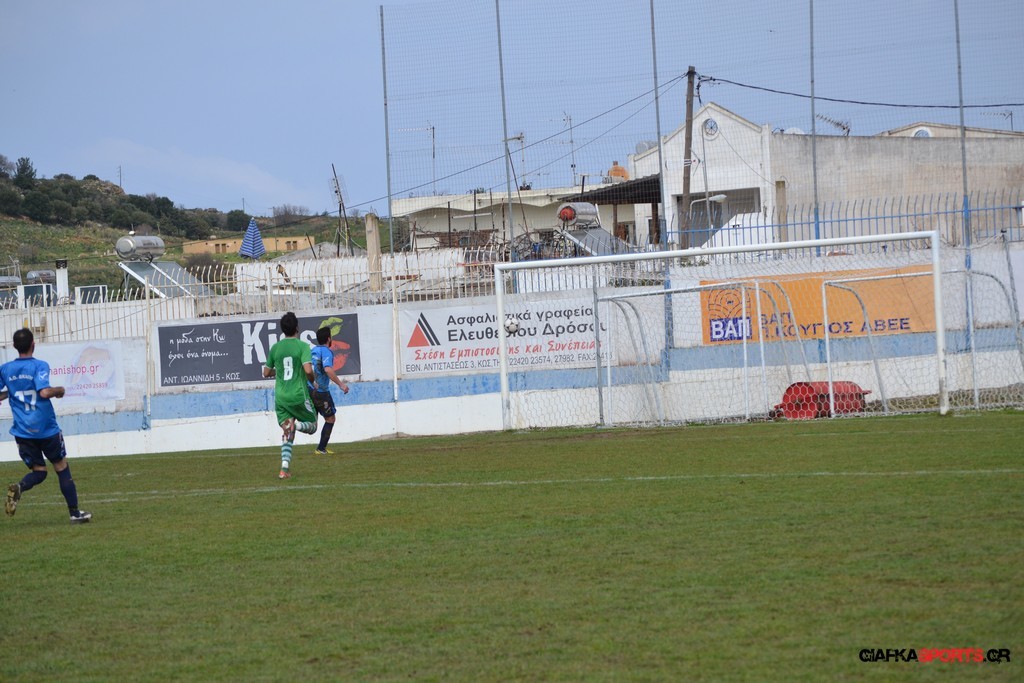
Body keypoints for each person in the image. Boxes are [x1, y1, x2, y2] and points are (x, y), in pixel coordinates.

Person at [1, 328, 92, 523]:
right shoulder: (39, 365)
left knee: (39, 472)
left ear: (15, 346)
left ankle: (20, 487)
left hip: (23, 432)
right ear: (33, 345)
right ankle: (75, 513)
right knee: (61, 467)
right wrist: (60, 390)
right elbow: (43, 392)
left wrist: (12, 392)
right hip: (46, 429)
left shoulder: (5, 369)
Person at [263, 312, 318, 479]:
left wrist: (279, 371)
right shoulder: (303, 346)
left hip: (281, 397)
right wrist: (313, 381)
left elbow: (266, 372)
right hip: (298, 395)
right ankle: (298, 426)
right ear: (297, 328)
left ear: (282, 329)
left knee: (287, 431)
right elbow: (308, 370)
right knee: (313, 426)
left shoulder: (275, 348)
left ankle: (284, 469)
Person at [308, 326, 351, 455]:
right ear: (328, 339)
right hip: (321, 392)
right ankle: (321, 449)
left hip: (310, 389)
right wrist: (341, 384)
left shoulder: (313, 350)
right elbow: (327, 369)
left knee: (312, 422)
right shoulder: (326, 351)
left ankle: (294, 426)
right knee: (330, 419)